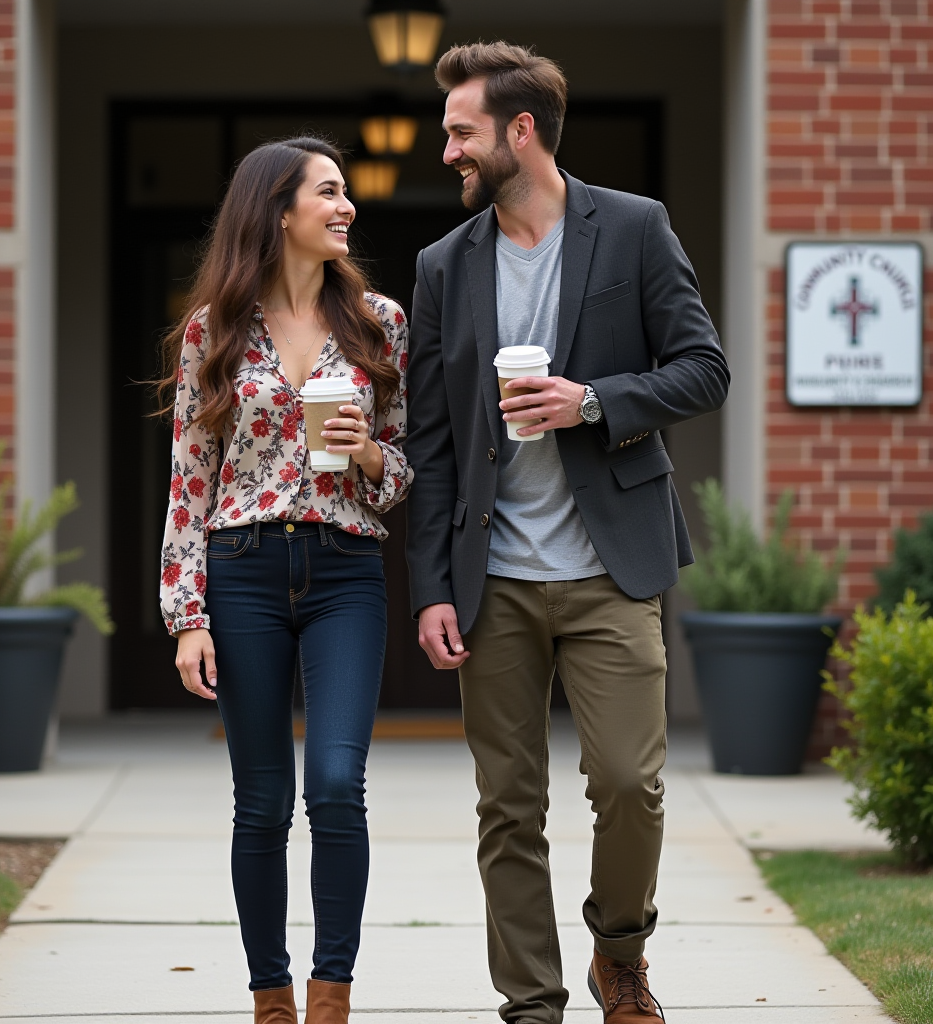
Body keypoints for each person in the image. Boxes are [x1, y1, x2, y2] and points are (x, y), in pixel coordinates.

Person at [405, 43, 730, 1024]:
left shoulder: (632, 229)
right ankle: (531, 1004)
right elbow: (430, 443)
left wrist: (592, 400)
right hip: (491, 576)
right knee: (508, 807)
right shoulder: (442, 266)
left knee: (629, 783)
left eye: (460, 131)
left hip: (610, 565)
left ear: (519, 131)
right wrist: (428, 585)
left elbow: (703, 368)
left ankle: (617, 955)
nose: (446, 150)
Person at [159, 137, 413, 1024]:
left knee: (337, 785)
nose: (346, 208)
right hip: (242, 571)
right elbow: (191, 477)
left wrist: (370, 451)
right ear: (278, 211)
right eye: (329, 193)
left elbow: (404, 472)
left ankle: (330, 994)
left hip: (346, 566)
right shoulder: (214, 330)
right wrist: (187, 614)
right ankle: (272, 1000)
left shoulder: (379, 322)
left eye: (347, 194)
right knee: (262, 801)